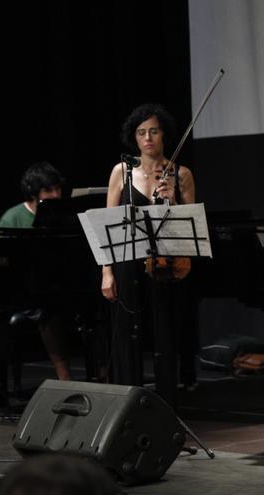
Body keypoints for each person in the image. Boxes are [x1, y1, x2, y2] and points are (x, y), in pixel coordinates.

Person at [101, 103, 197, 408]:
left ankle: (167, 409)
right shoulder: (122, 171)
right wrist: (107, 272)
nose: (147, 138)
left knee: (165, 339)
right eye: (141, 132)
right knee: (126, 339)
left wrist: (172, 203)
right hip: (128, 263)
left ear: (164, 134)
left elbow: (188, 227)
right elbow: (107, 226)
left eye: (153, 131)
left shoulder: (181, 174)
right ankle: (126, 410)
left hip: (165, 265)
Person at [0, 161, 72, 382]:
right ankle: (63, 374)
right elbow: (6, 265)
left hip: (56, 285)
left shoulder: (63, 216)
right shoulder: (13, 217)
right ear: (33, 193)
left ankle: (103, 374)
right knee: (49, 309)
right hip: (23, 293)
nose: (56, 195)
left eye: (58, 189)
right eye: (49, 190)